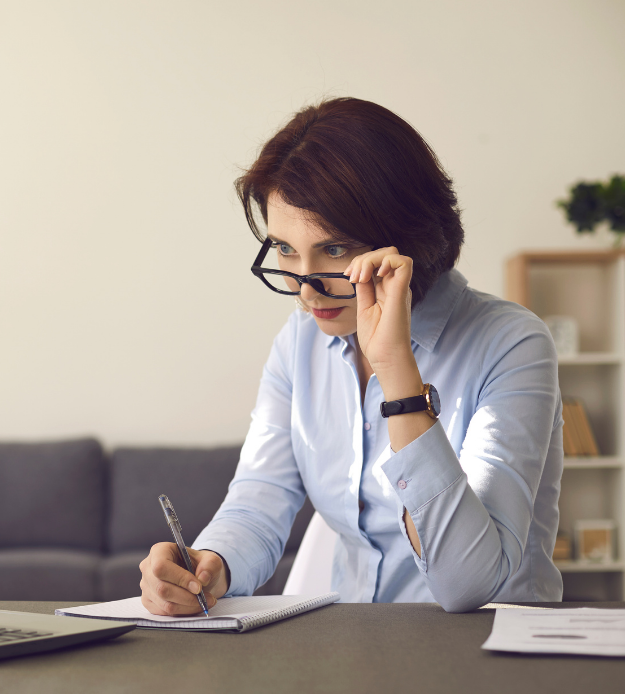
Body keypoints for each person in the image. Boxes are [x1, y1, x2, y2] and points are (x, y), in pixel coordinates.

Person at [138, 97, 563, 614]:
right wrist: (207, 567)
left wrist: (396, 371)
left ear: (406, 236)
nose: (306, 291)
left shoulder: (512, 343)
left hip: (490, 657)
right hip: (352, 648)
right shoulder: (301, 342)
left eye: (334, 250)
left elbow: (468, 584)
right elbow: (259, 498)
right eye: (286, 250)